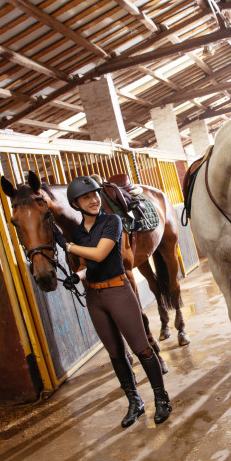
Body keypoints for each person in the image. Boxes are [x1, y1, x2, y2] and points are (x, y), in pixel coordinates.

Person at [60, 176, 172, 427]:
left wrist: (69, 247)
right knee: (115, 354)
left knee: (141, 348)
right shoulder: (78, 233)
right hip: (95, 297)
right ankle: (135, 402)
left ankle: (161, 398)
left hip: (118, 291)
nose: (94, 200)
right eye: (86, 197)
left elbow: (99, 253)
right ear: (75, 204)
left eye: (95, 195)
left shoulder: (112, 221)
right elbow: (86, 266)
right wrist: (75, 276)